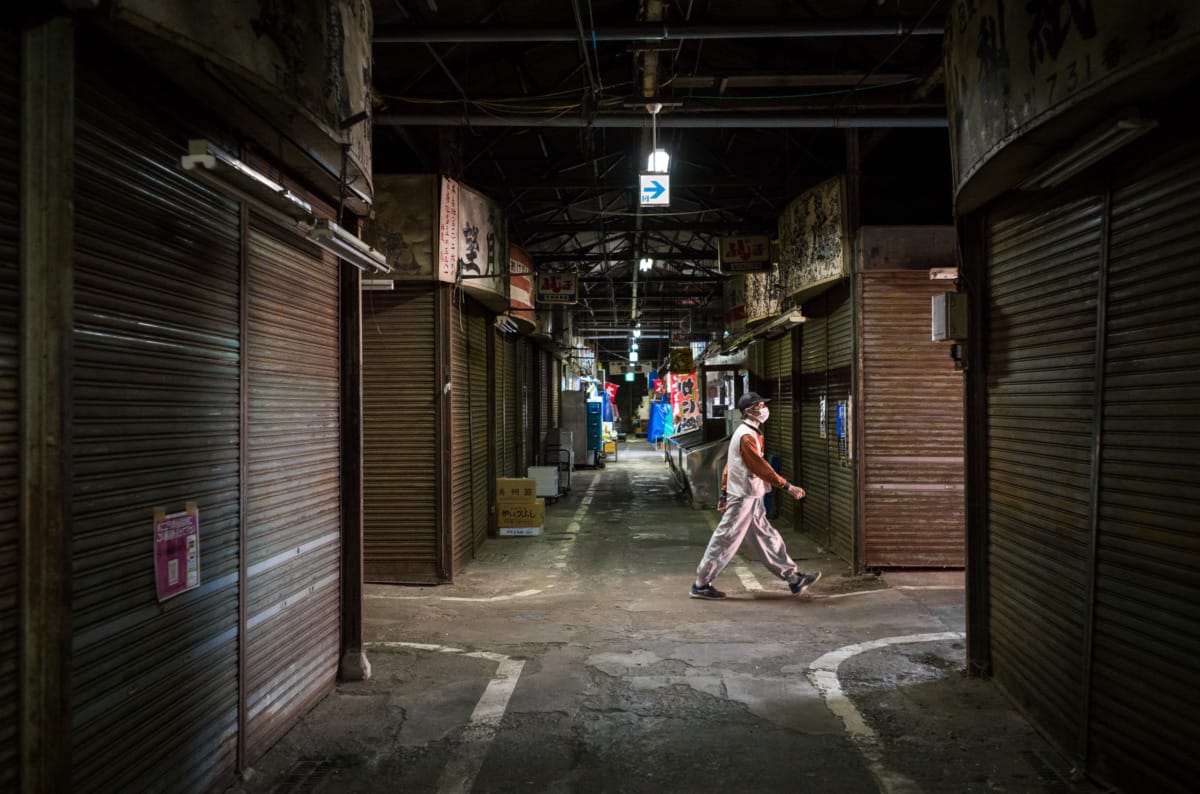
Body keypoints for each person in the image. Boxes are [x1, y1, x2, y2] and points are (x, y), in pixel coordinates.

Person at [691, 391, 821, 600]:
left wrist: (724, 493)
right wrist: (787, 486)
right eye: (760, 406)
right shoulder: (746, 436)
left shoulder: (748, 432)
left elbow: (729, 466)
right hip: (743, 496)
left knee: (767, 538)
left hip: (750, 496)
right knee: (726, 539)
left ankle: (794, 579)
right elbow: (760, 467)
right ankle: (701, 583)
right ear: (749, 411)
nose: (764, 409)